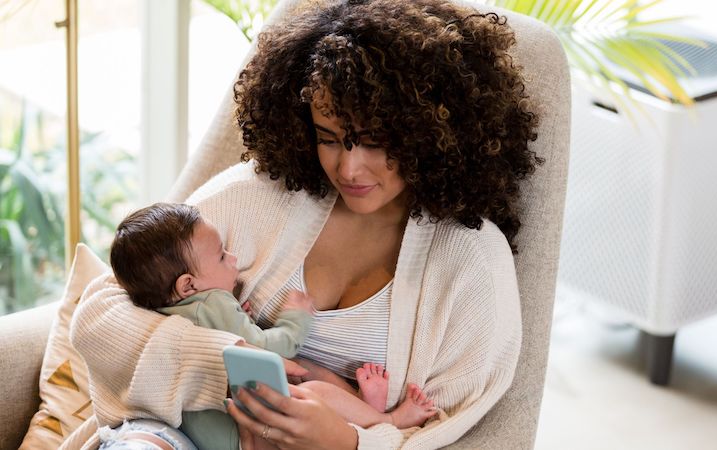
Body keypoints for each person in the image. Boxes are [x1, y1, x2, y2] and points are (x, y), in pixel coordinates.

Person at [67, 0, 541, 449]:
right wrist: (221, 364)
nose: (349, 169)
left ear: (430, 133)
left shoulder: (472, 263)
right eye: (329, 139)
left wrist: (348, 440)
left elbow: (461, 431)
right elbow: (101, 314)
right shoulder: (256, 196)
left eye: (374, 142)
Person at [105, 202, 436, 450]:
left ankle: (363, 409)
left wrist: (239, 318)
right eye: (222, 256)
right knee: (312, 390)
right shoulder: (214, 303)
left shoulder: (156, 307)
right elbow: (271, 350)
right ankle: (386, 420)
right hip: (245, 433)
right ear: (188, 285)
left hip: (202, 437)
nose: (233, 259)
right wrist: (296, 318)